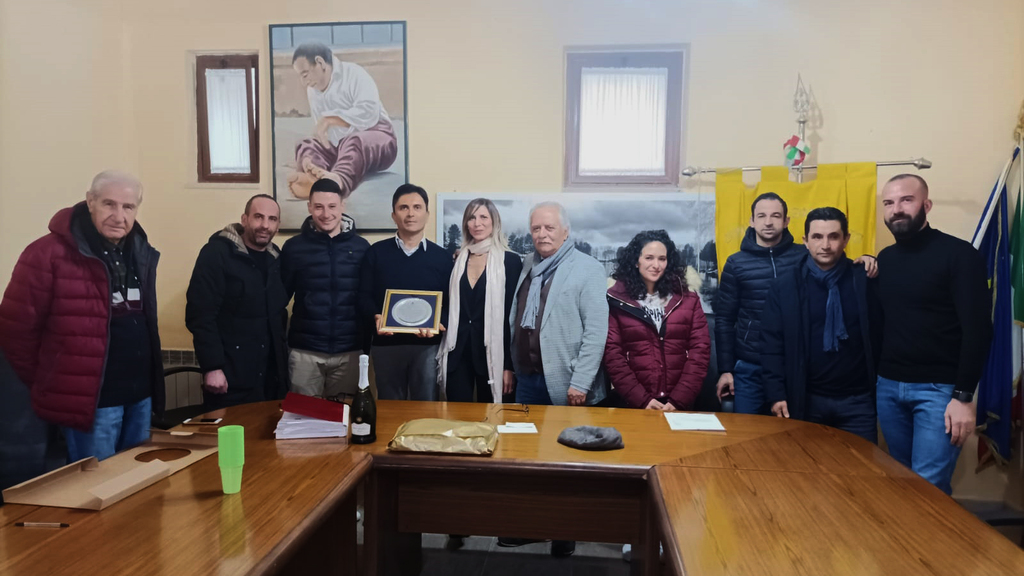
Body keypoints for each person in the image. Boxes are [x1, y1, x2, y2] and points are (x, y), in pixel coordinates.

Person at [0, 170, 163, 461]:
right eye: (109, 204)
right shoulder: (46, 254)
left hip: (140, 397)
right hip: (90, 403)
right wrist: (53, 381)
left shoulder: (140, 251)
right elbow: (15, 332)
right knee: (97, 484)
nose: (119, 216)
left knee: (139, 481)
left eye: (128, 207)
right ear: (90, 201)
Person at [875, 174, 992, 494]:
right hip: (888, 388)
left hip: (939, 392)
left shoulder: (960, 255)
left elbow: (979, 329)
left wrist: (963, 397)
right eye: (889, 202)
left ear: (926, 205)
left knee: (928, 488)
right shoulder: (885, 260)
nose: (897, 209)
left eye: (906, 200)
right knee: (902, 482)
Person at [503, 201, 608, 557]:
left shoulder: (588, 268)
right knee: (528, 459)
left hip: (568, 382)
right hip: (528, 379)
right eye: (536, 228)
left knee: (566, 463)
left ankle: (565, 531)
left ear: (565, 231)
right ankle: (532, 525)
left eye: (549, 228)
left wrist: (581, 382)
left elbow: (596, 332)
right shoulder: (527, 265)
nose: (542, 234)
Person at [715, 192, 877, 414]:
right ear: (752, 221)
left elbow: (837, 265)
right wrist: (725, 369)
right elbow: (724, 319)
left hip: (795, 363)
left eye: (775, 215)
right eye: (761, 216)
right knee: (746, 430)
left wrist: (867, 259)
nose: (768, 222)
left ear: (786, 221)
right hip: (751, 365)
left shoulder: (805, 254)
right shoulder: (736, 263)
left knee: (789, 430)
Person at [760, 208, 882, 443]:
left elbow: (882, 334)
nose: (825, 245)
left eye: (833, 236)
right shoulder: (785, 286)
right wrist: (776, 394)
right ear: (805, 241)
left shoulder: (864, 280)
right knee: (807, 465)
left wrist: (872, 260)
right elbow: (771, 344)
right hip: (806, 399)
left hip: (858, 402)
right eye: (817, 237)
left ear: (846, 239)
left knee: (862, 466)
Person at [185, 195, 289, 411]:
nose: (265, 225)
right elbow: (200, 315)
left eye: (272, 219)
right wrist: (212, 367)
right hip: (230, 375)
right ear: (244, 219)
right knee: (230, 432)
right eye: (258, 217)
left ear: (278, 225)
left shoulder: (276, 258)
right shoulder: (216, 254)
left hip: (270, 377)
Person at [358, 184, 453, 400]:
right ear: (394, 215)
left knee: (426, 406)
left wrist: (439, 323)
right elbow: (363, 296)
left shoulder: (443, 258)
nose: (410, 214)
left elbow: (451, 302)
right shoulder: (375, 253)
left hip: (428, 346)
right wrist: (376, 316)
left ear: (427, 214)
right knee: (390, 408)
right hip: (386, 346)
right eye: (403, 208)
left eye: (417, 207)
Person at [280, 179, 370, 399]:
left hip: (350, 351)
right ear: (309, 207)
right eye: (319, 207)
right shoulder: (293, 248)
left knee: (344, 415)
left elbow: (368, 299)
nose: (326, 214)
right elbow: (279, 298)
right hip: (305, 352)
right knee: (303, 417)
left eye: (332, 206)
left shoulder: (361, 248)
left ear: (342, 206)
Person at [604, 230, 710, 411]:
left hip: (680, 403)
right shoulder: (617, 301)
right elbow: (613, 355)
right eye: (649, 258)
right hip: (634, 404)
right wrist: (642, 400)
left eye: (662, 259)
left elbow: (700, 351)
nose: (656, 265)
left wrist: (679, 400)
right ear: (636, 261)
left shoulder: (688, 299)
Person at [437, 198, 523, 404]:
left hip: (493, 355)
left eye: (483, 217)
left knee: (493, 418)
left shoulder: (510, 262)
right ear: (466, 223)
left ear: (494, 222)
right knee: (457, 416)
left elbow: (513, 317)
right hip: (457, 352)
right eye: (472, 218)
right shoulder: (456, 260)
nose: (477, 223)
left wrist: (509, 366)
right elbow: (448, 305)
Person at [287, 42, 398, 200]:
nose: (303, 82)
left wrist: (331, 120)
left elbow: (369, 112)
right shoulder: (313, 90)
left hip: (378, 137)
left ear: (320, 63)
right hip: (341, 146)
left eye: (305, 75)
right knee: (306, 144)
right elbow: (324, 133)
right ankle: (312, 179)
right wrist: (317, 152)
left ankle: (338, 181)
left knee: (354, 141)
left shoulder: (354, 73)